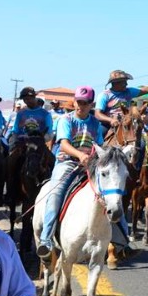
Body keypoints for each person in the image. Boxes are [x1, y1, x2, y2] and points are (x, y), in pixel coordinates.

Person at [36, 86, 104, 258]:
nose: (81, 106)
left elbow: (99, 145)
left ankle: (121, 241)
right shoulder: (66, 120)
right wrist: (80, 155)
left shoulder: (96, 123)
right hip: (67, 163)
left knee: (110, 193)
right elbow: (64, 144)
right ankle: (46, 238)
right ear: (74, 102)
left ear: (91, 104)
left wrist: (95, 157)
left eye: (85, 103)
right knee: (55, 194)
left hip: (90, 165)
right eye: (78, 102)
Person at [94, 69, 148, 136]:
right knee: (99, 139)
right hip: (108, 125)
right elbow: (97, 114)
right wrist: (110, 120)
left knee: (141, 145)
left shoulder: (129, 92)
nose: (126, 84)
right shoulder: (104, 95)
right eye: (124, 82)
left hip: (127, 124)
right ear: (116, 83)